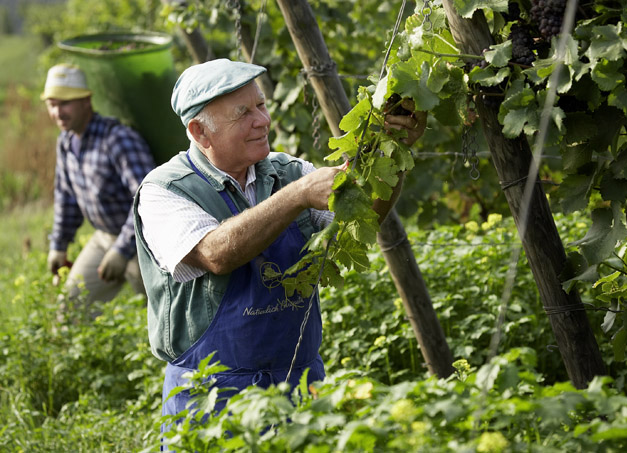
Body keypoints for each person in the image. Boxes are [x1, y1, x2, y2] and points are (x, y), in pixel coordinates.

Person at [133, 58, 426, 420]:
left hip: (298, 388)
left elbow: (359, 220)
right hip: (210, 398)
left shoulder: (288, 171)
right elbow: (214, 254)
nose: (263, 120)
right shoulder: (165, 191)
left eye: (261, 105)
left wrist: (394, 151)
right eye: (243, 114)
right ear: (200, 132)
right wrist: (298, 195)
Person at [42, 63, 156, 309]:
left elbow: (148, 198)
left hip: (144, 241)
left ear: (86, 101)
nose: (58, 112)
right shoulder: (66, 142)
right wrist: (59, 247)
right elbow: (66, 198)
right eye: (52, 104)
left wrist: (122, 250)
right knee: (71, 307)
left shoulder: (117, 139)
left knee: (160, 317)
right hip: (104, 238)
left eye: (65, 103)